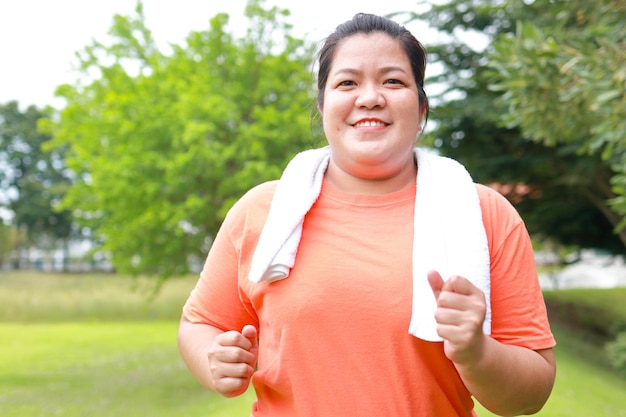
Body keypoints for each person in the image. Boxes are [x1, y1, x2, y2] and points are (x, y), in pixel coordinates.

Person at [178, 13, 556, 417]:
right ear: (323, 106)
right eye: (347, 82)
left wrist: (476, 352)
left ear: (422, 106)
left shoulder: (482, 214)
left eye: (393, 81)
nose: (370, 97)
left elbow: (530, 396)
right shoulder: (262, 212)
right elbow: (200, 324)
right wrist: (213, 361)